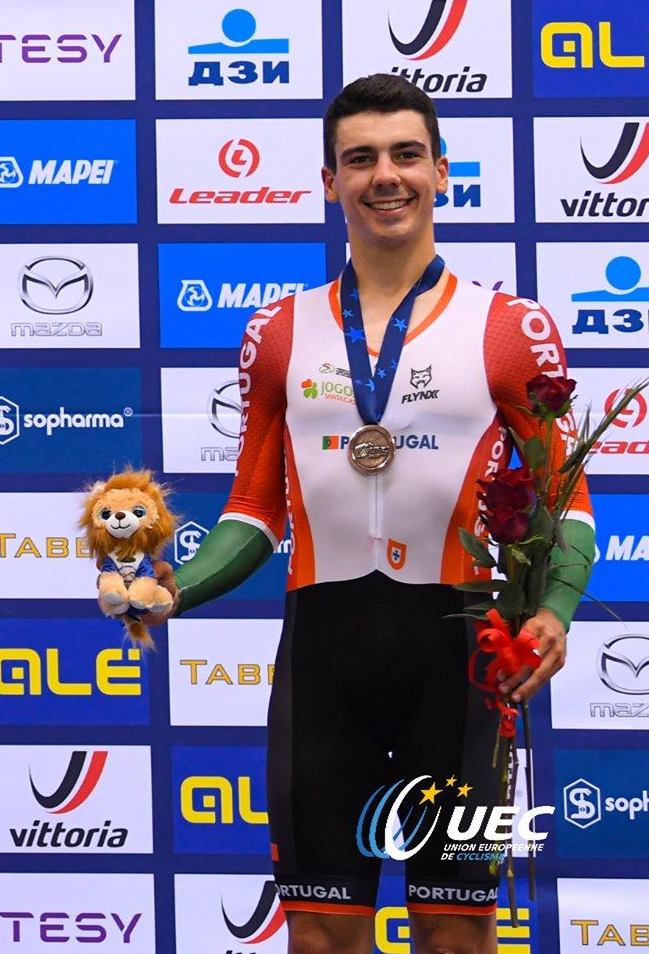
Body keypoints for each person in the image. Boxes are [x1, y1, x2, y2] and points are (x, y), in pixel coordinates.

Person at [170, 74, 595, 954]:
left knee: (454, 934)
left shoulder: (510, 328)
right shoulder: (277, 333)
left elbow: (568, 502)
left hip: (462, 668)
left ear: (442, 171)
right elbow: (253, 510)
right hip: (323, 663)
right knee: (321, 937)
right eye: (360, 159)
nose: (385, 175)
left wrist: (554, 610)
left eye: (406, 154)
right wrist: (173, 588)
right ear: (331, 181)